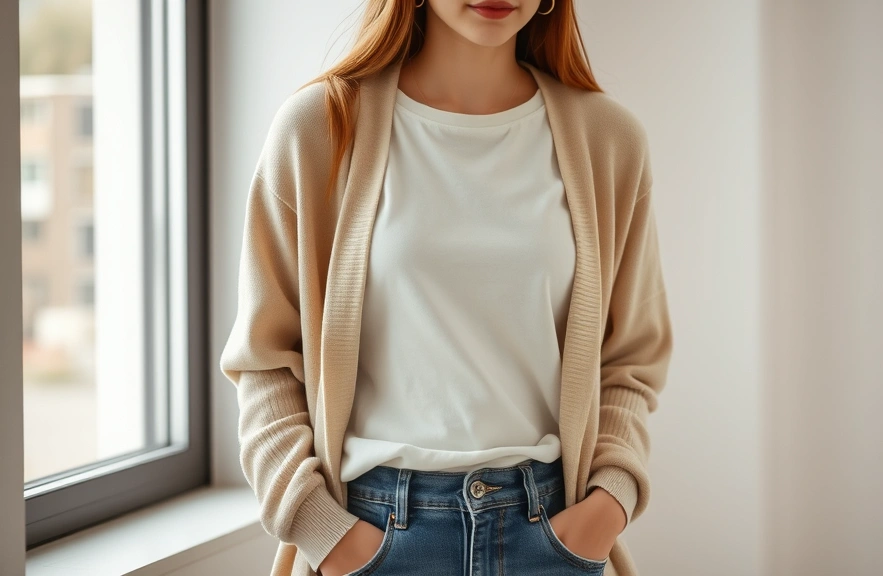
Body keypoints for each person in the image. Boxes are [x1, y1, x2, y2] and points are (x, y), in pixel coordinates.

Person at [220, 0, 673, 575]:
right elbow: (265, 360)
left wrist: (605, 506)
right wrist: (322, 532)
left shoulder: (609, 141)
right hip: (374, 536)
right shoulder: (321, 126)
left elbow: (630, 360)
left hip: (553, 534)